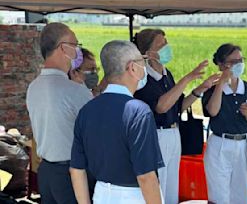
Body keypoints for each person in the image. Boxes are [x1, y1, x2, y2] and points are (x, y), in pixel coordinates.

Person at [70, 40, 164, 204]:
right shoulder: (138, 111)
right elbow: (146, 176)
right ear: (132, 68)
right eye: (143, 62)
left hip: (101, 194)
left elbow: (76, 169)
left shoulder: (87, 110)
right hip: (134, 196)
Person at [133, 29, 219, 204]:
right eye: (161, 45)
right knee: (159, 184)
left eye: (166, 42)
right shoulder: (143, 79)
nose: (167, 47)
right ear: (149, 53)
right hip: (156, 135)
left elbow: (178, 106)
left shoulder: (167, 74)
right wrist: (187, 78)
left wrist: (200, 89)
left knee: (172, 184)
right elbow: (162, 106)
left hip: (173, 133)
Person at [26, 22, 93, 204]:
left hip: (46, 171)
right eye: (75, 45)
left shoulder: (33, 86)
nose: (78, 51)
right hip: (72, 173)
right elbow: (97, 127)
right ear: (63, 48)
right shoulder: (74, 90)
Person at [201, 43, 247, 204]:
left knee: (241, 195)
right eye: (233, 61)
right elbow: (212, 111)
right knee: (218, 196)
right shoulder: (212, 89)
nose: (239, 64)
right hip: (219, 144)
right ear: (222, 64)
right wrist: (221, 84)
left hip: (244, 145)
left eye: (241, 60)